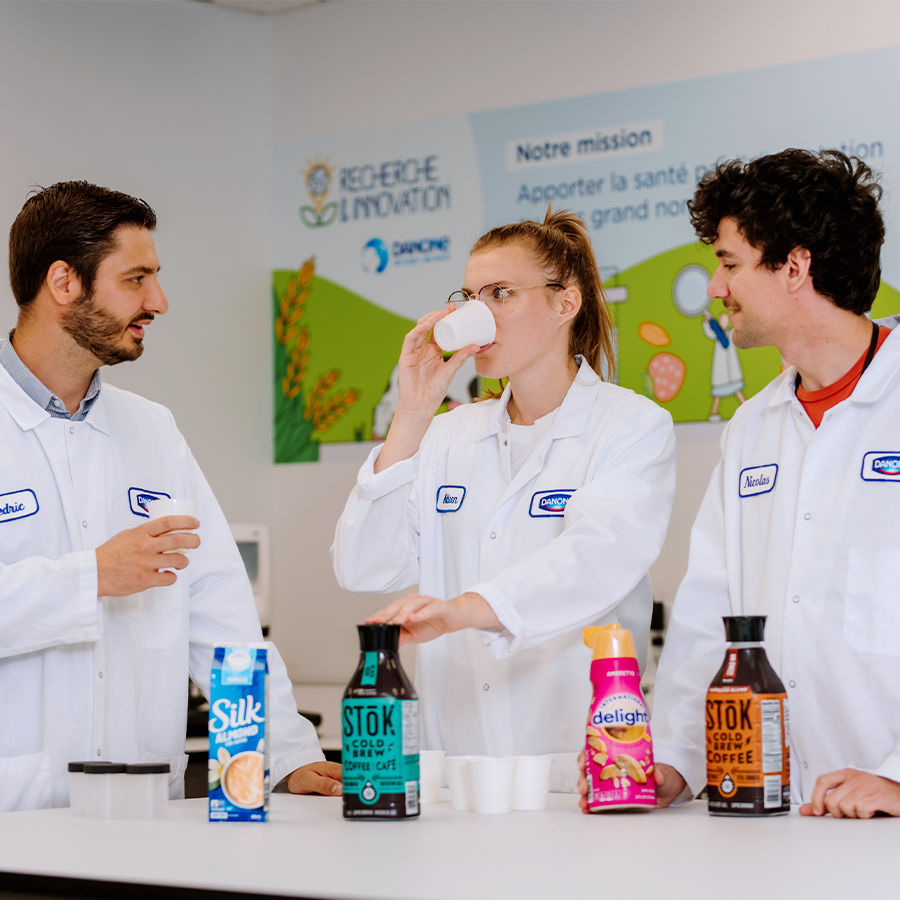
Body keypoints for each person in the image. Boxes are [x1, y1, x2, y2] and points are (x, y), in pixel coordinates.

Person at [0, 181, 340, 811]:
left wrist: (285, 756)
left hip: (143, 811)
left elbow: (222, 614)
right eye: (136, 279)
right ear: (63, 282)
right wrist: (89, 577)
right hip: (14, 811)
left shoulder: (152, 430)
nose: (159, 300)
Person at [332, 209, 676, 772]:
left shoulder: (631, 427)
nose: (478, 314)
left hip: (578, 765)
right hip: (453, 767)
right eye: (469, 296)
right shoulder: (445, 433)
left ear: (566, 303)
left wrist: (465, 610)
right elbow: (362, 567)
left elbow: (594, 560)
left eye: (500, 293)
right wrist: (412, 416)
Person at [615, 148, 900, 818]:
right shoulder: (751, 428)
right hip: (778, 811)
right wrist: (673, 760)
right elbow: (709, 616)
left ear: (795, 267)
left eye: (730, 262)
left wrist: (897, 777)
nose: (715, 286)